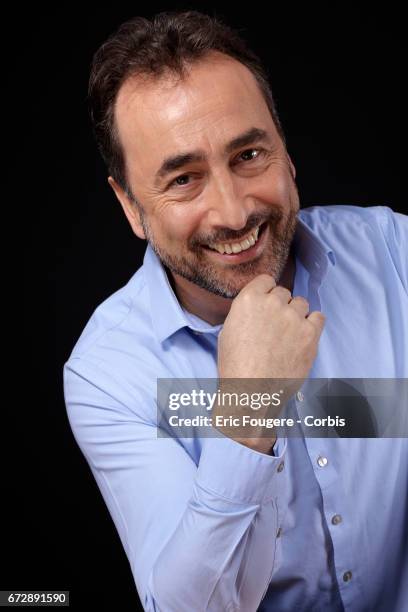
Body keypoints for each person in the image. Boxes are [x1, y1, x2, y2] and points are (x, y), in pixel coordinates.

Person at [63, 10, 408, 612]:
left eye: (249, 154)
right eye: (184, 179)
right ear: (131, 208)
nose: (232, 211)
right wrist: (251, 404)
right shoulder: (108, 373)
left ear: (286, 150)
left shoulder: (393, 254)